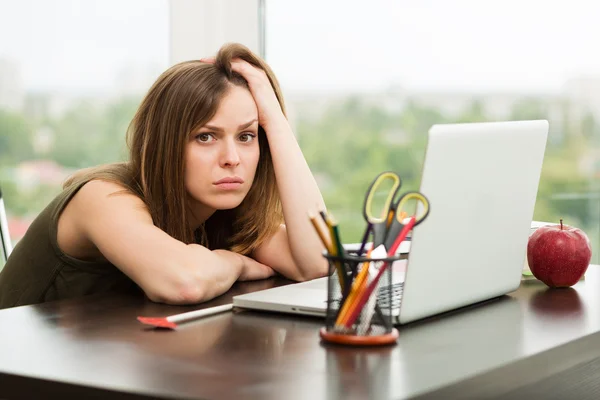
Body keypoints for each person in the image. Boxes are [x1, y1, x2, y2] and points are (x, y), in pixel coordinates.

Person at [0, 43, 329, 309]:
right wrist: (237, 264)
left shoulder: (226, 213)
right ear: (165, 144)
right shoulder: (101, 197)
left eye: (246, 136)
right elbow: (183, 282)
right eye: (205, 136)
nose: (232, 160)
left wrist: (276, 122)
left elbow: (316, 263)